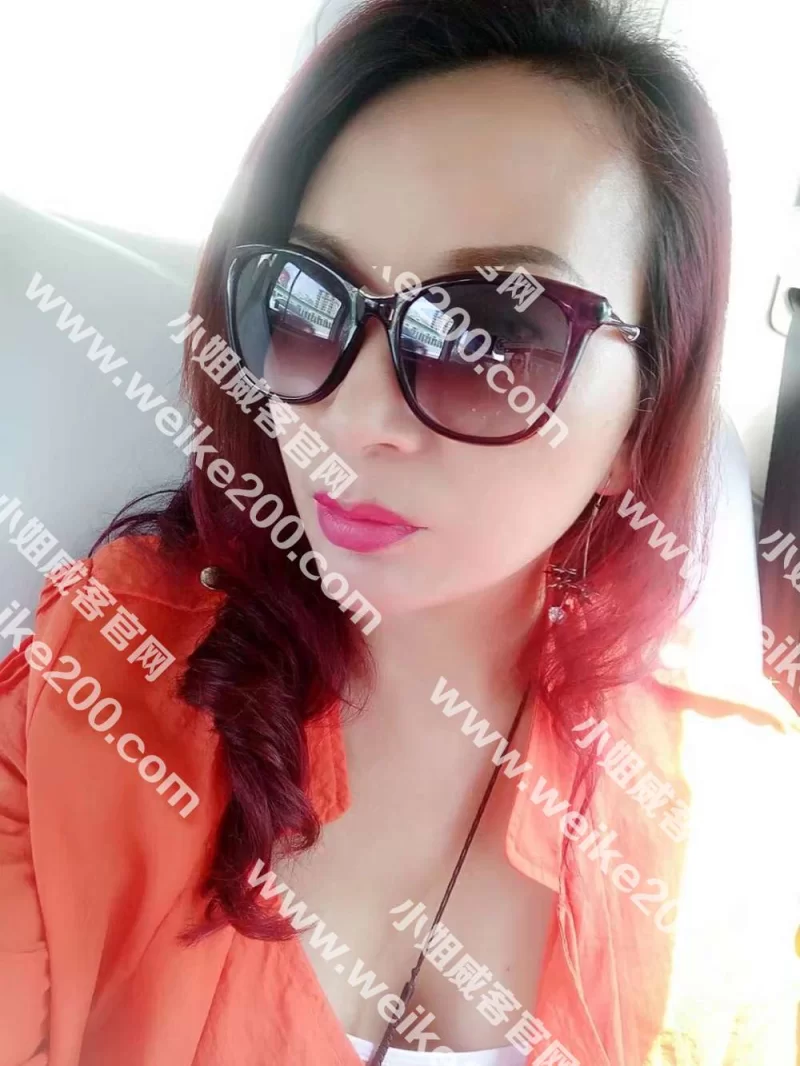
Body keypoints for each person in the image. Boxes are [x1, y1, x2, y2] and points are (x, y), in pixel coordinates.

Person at [1, 1, 798, 1064]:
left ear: (638, 420)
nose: (358, 417)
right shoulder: (99, 684)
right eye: (305, 299)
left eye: (492, 335)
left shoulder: (728, 807)